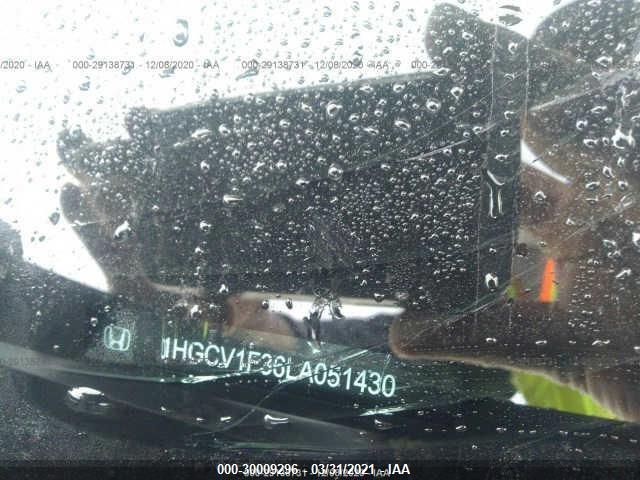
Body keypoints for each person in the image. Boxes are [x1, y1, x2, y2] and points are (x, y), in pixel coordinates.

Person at [55, 0, 640, 421]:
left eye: (611, 91)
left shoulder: (561, 251)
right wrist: (211, 346)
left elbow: (460, 395)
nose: (575, 132)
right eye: (581, 93)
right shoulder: (519, 240)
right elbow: (400, 375)